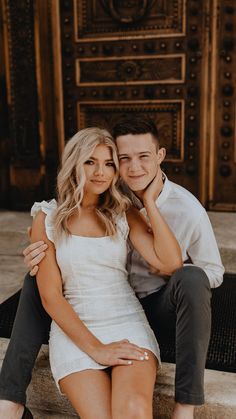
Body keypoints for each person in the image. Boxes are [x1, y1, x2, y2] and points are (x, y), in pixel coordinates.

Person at [0, 118, 224, 419]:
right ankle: (10, 400)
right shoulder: (47, 216)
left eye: (107, 164)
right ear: (74, 164)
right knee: (35, 280)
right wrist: (96, 349)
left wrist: (149, 203)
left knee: (133, 411)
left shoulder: (123, 210)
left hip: (128, 317)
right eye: (91, 162)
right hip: (77, 327)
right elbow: (51, 297)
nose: (101, 172)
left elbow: (172, 264)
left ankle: (185, 408)